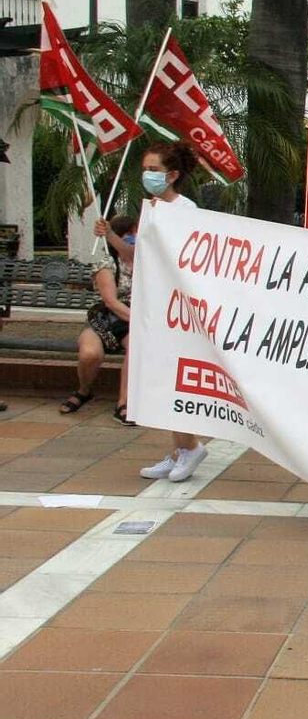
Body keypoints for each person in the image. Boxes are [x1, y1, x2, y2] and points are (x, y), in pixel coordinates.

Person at [131, 142, 211, 483]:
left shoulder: (185, 209)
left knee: (174, 381)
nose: (147, 175)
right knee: (161, 379)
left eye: (154, 169)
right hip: (155, 305)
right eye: (145, 169)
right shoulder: (149, 207)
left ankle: (190, 447)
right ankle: (179, 450)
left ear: (172, 174)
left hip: (177, 310)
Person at [62, 216, 137, 418]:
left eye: (137, 233)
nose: (134, 238)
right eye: (130, 234)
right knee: (90, 354)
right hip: (106, 320)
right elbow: (111, 302)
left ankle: (124, 401)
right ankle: (84, 391)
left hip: (131, 325)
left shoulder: (147, 262)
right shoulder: (107, 263)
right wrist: (140, 321)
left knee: (137, 346)